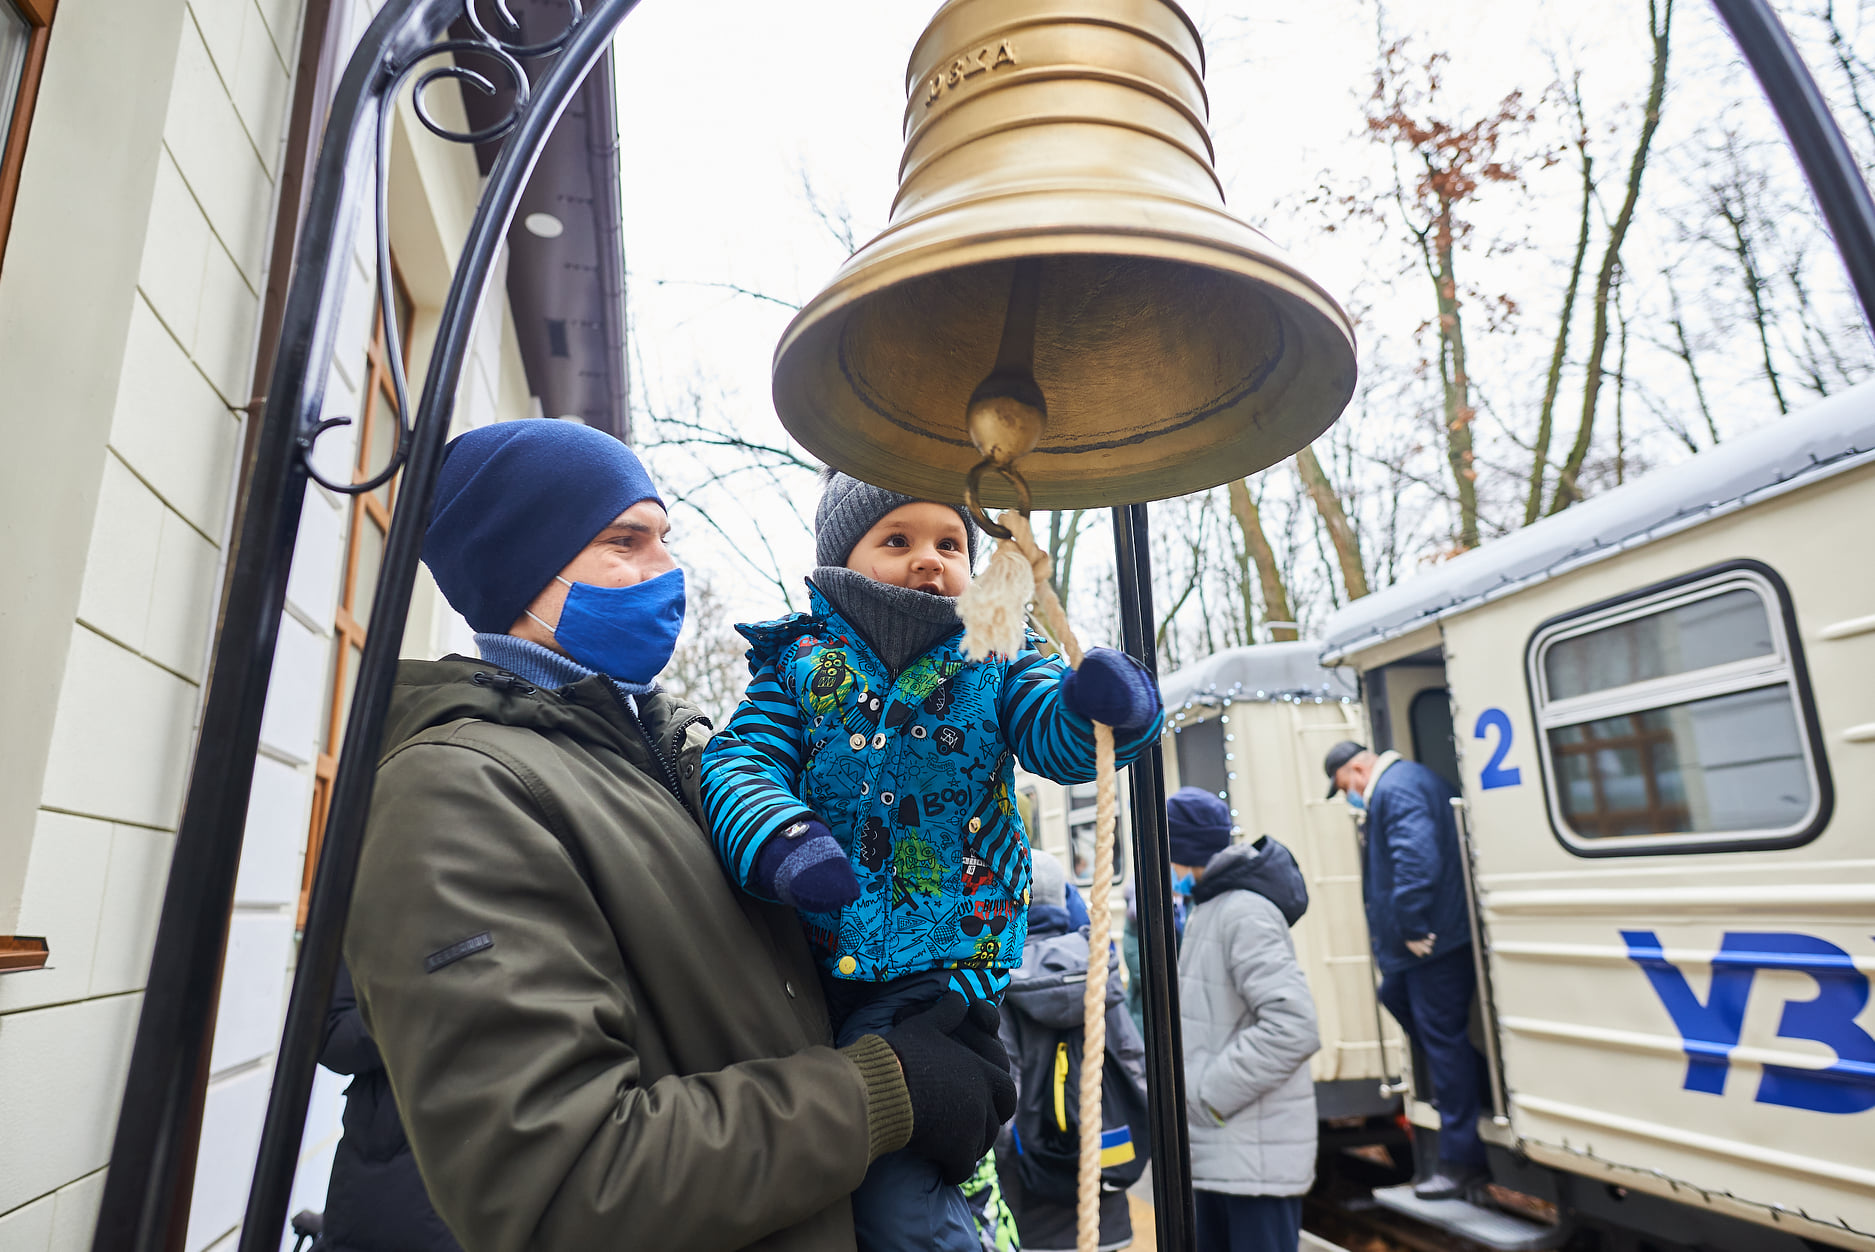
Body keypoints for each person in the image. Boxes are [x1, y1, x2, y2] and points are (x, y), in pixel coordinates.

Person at [344, 421, 1018, 1252]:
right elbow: (565, 1184)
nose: (666, 574)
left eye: (664, 540)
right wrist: (888, 1088)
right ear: (519, 566)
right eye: (625, 543)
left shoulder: (681, 751)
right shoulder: (453, 795)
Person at [700, 471, 1165, 1252]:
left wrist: (1099, 708)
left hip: (937, 969)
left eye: (949, 543)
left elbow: (1052, 733)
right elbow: (740, 763)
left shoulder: (996, 654)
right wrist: (781, 837)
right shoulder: (797, 668)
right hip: (808, 963)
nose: (929, 560)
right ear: (841, 559)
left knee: (895, 1187)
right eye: (898, 541)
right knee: (831, 1171)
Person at [1324, 740, 1490, 1199]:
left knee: (1442, 1040)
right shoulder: (1405, 784)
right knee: (1398, 1000)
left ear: (1358, 767)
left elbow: (1415, 859)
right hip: (1421, 949)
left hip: (1431, 946)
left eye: (1344, 787)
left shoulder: (1397, 790)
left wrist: (1413, 924)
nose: (1348, 797)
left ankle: (1462, 1163)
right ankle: (1471, 1085)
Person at [1172, 790, 1320, 1252]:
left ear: (1183, 853)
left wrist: (1205, 1095)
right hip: (1227, 1154)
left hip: (1248, 1159)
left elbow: (1293, 1025)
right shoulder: (1214, 908)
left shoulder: (1242, 912)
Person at [997, 850, 1147, 1252]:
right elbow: (1134, 1066)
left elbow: (1001, 1104)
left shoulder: (997, 980)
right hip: (1105, 1206)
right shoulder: (1098, 968)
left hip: (1029, 1210)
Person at [314, 964, 461, 1252]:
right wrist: (434, 1003)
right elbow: (333, 1036)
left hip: (493, 1181)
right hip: (392, 1193)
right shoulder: (380, 921)